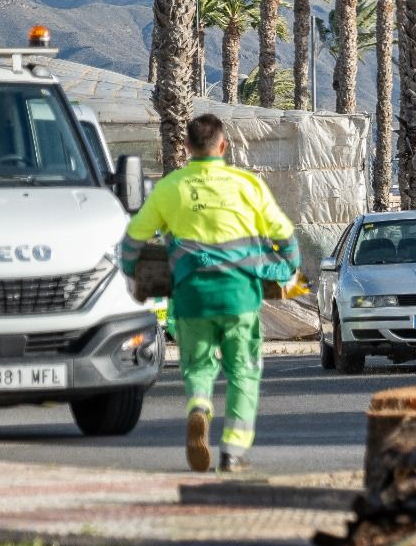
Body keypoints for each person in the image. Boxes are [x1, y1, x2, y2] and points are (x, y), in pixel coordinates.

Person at [120, 114, 299, 473]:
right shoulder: (247, 185)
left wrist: (131, 273)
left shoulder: (171, 187)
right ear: (223, 146)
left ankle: (199, 407)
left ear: (186, 148)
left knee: (199, 367)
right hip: (240, 298)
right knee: (243, 372)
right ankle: (232, 450)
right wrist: (290, 268)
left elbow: (133, 240)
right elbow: (285, 237)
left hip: (191, 298)